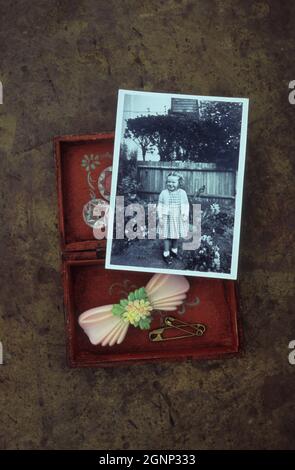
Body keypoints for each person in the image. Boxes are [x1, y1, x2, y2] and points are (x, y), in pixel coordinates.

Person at [157, 172, 189, 264]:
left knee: (176, 235)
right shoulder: (163, 193)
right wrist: (160, 217)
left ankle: (174, 251)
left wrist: (185, 215)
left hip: (178, 217)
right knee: (166, 235)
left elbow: (185, 205)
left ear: (179, 183)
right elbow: (160, 206)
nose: (170, 184)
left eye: (173, 182)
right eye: (168, 182)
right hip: (166, 217)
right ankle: (166, 253)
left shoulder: (182, 193)